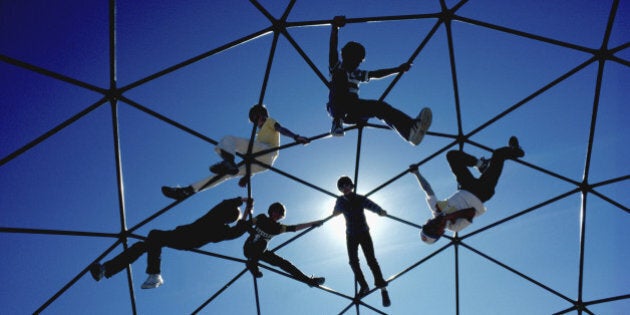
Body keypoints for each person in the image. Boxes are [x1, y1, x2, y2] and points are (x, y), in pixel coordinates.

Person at [89, 197, 253, 289]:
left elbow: (224, 205)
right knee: (143, 245)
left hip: (187, 236)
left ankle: (155, 274)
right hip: (185, 238)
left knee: (154, 235)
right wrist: (247, 211)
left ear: (226, 214)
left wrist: (243, 201)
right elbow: (238, 230)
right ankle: (105, 269)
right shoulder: (222, 230)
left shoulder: (214, 219)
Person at [161, 104, 310, 200]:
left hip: (267, 152)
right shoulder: (258, 135)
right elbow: (253, 158)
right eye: (254, 121)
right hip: (262, 164)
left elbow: (281, 129)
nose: (257, 122)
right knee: (223, 175)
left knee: (229, 139)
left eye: (257, 118)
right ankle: (189, 190)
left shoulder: (270, 122)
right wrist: (247, 176)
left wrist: (296, 137)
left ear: (262, 115)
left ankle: (229, 161)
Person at [327, 15, 432, 145]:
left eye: (359, 62)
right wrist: (335, 28)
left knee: (380, 107)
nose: (358, 64)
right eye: (356, 60)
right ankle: (337, 122)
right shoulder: (336, 67)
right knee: (340, 76)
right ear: (347, 56)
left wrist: (397, 69)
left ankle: (409, 131)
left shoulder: (357, 73)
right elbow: (333, 48)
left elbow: (376, 74)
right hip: (338, 107)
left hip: (354, 109)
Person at [410, 136, 525, 244]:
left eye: (428, 226)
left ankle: (480, 165)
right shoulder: (454, 226)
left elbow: (427, 189)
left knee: (452, 156)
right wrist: (448, 217)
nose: (432, 225)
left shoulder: (436, 209)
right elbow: (471, 212)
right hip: (482, 193)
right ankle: (514, 150)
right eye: (434, 229)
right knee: (498, 154)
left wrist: (417, 173)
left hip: (466, 186)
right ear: (441, 233)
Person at [332, 176, 391, 307]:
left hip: (364, 232)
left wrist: (380, 211)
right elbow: (335, 213)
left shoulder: (359, 198)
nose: (345, 188)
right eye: (342, 187)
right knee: (353, 261)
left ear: (352, 186)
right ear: (340, 189)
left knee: (371, 259)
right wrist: (339, 206)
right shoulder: (340, 200)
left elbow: (371, 205)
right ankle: (364, 286)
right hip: (351, 235)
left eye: (347, 185)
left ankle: (382, 288)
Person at [244, 202, 326, 287]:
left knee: (284, 263)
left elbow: (294, 228)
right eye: (276, 212)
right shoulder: (261, 218)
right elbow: (246, 224)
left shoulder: (278, 227)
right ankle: (252, 264)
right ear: (271, 211)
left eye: (280, 214)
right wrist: (252, 231)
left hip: (262, 252)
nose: (277, 215)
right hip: (249, 248)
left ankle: (309, 280)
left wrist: (313, 224)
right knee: (262, 242)